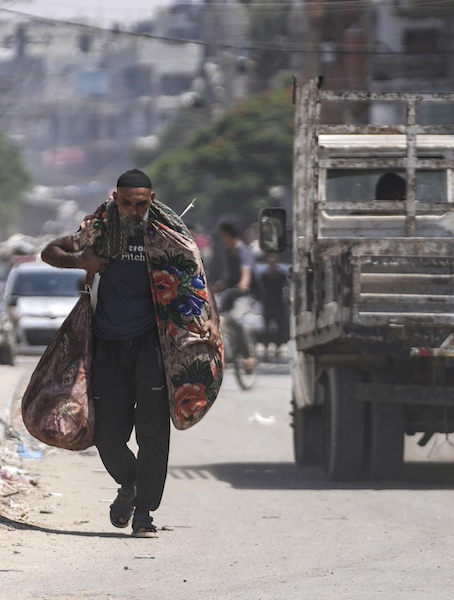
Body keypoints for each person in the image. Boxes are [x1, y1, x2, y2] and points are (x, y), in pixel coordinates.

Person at [40, 169, 223, 538]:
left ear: (151, 199)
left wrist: (208, 325)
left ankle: (144, 514)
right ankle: (130, 483)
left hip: (153, 347)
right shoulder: (101, 230)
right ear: (116, 198)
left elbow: (194, 278)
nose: (135, 210)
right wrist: (85, 264)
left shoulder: (170, 235)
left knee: (153, 434)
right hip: (107, 345)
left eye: (142, 203)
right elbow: (50, 252)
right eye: (127, 203)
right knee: (106, 435)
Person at [212, 220, 257, 372]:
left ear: (228, 235)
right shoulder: (227, 252)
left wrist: (244, 283)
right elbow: (228, 276)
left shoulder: (242, 250)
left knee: (237, 320)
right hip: (230, 294)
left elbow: (246, 270)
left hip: (245, 295)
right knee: (217, 318)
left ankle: (248, 355)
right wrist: (219, 285)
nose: (221, 238)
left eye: (222, 235)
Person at [256, 252, 290, 360]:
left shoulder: (281, 275)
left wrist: (288, 299)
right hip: (268, 304)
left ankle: (278, 347)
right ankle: (266, 347)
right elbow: (260, 289)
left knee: (280, 327)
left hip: (279, 304)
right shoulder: (264, 276)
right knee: (266, 327)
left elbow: (287, 287)